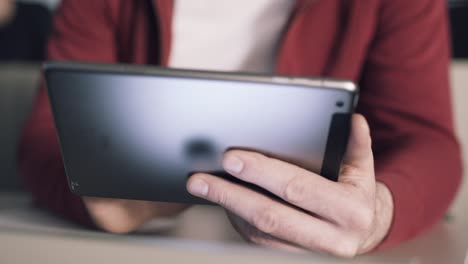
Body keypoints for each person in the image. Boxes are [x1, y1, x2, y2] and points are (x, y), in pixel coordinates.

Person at [19, 0, 463, 257]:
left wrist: (378, 214)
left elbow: (426, 140)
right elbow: (43, 138)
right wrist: (95, 202)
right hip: (151, 244)